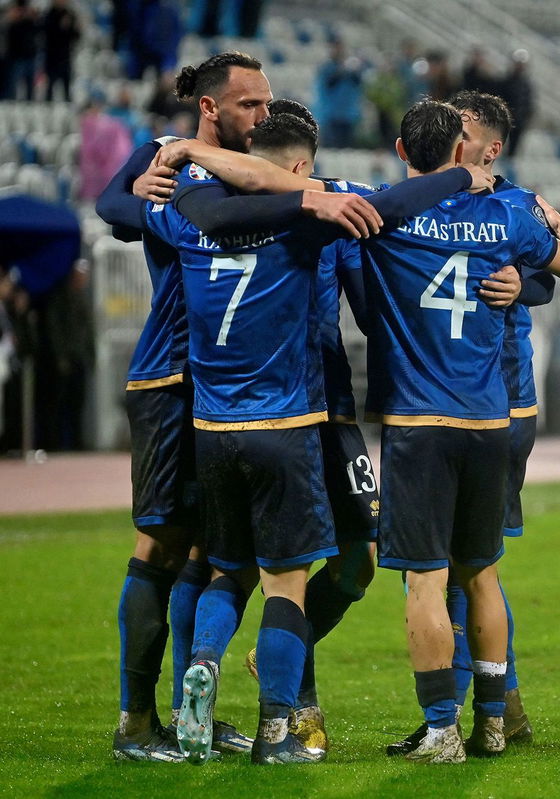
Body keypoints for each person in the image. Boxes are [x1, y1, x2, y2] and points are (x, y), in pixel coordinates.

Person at [113, 111, 479, 765]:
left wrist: (169, 155)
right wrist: (461, 175)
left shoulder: (193, 214)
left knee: (243, 564)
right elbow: (393, 204)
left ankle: (201, 669)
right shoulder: (313, 215)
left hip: (214, 423)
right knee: (289, 578)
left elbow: (119, 206)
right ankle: (286, 719)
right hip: (294, 418)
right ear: (301, 167)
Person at [361, 100, 560, 764]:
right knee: (483, 574)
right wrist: (531, 269)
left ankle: (441, 729)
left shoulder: (386, 215)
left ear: (405, 154)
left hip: (419, 421)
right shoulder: (512, 213)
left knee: (426, 580)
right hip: (491, 419)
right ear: (464, 152)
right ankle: (493, 722)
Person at [94, 50, 273, 763]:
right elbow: (110, 206)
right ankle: (134, 723)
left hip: (222, 387)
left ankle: (186, 716)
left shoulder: (234, 172)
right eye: (249, 105)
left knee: (208, 549)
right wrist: (142, 195)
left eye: (265, 105)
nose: (262, 116)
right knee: (161, 545)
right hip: (170, 376)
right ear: (209, 107)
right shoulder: (165, 157)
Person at [41, 0, 80, 102]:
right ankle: (48, 108)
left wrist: (73, 27)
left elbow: (76, 36)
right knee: (50, 86)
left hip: (66, 56)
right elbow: (46, 35)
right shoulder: (48, 14)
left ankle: (68, 108)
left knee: (67, 86)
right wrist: (60, 26)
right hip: (52, 57)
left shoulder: (70, 14)